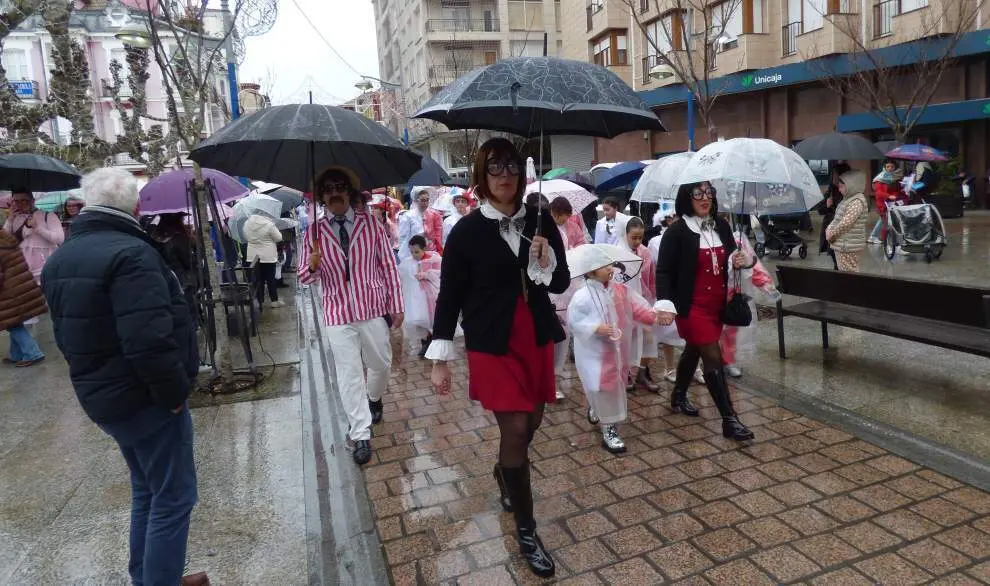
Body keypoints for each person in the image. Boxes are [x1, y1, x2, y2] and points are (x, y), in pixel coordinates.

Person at [40, 168, 206, 586]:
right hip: (145, 400)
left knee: (148, 489)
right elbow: (148, 340)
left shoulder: (62, 258)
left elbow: (63, 335)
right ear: (135, 207)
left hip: (106, 396)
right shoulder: (132, 255)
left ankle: (149, 577)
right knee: (173, 496)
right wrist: (173, 394)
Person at [427, 137, 568, 578]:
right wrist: (440, 356)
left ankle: (505, 472)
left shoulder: (541, 221)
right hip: (492, 342)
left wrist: (546, 260)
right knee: (517, 427)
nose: (504, 174)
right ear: (481, 176)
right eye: (494, 167)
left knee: (533, 422)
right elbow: (450, 294)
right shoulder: (466, 232)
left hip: (536, 337)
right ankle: (527, 531)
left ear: (521, 173)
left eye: (511, 166)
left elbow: (561, 282)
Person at [298, 166, 404, 465]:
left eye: (340, 187)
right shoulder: (313, 232)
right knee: (349, 374)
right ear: (322, 196)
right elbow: (304, 277)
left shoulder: (371, 225)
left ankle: (374, 398)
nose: (335, 193)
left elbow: (388, 265)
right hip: (338, 311)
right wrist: (313, 265)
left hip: (372, 306)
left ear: (349, 192)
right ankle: (360, 433)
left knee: (381, 365)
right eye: (328, 189)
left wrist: (396, 304)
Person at [655, 181, 755, 442]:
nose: (704, 198)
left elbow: (732, 256)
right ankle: (729, 419)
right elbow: (663, 271)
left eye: (708, 193)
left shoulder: (721, 225)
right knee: (712, 353)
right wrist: (664, 303)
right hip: (691, 307)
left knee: (694, 349)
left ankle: (678, 396)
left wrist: (738, 260)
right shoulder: (677, 231)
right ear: (686, 198)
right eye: (697, 194)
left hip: (716, 306)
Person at [568, 244, 658, 454]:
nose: (610, 268)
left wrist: (656, 316)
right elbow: (574, 322)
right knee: (601, 386)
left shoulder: (619, 290)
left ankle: (601, 413)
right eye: (603, 265)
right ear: (591, 271)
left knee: (614, 386)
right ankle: (609, 428)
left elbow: (638, 307)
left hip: (618, 350)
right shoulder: (582, 296)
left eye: (610, 264)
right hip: (595, 353)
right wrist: (595, 328)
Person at [720, 233, 778, 378]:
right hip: (709, 293)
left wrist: (766, 285)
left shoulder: (737, 240)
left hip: (732, 295)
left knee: (731, 329)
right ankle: (709, 360)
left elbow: (753, 266)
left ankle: (728, 360)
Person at [617, 216, 660, 392]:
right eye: (633, 237)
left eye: (640, 238)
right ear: (625, 234)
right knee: (626, 339)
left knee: (648, 339)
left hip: (643, 300)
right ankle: (626, 372)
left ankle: (643, 372)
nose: (637, 241)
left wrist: (653, 298)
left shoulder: (645, 252)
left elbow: (651, 277)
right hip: (623, 302)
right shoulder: (618, 252)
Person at [548, 197, 583, 399]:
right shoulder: (545, 229)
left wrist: (574, 252)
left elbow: (582, 244)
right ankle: (549, 379)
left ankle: (556, 376)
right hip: (551, 287)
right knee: (555, 333)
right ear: (555, 213)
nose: (565, 221)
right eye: (563, 217)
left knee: (566, 331)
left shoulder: (572, 227)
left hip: (571, 282)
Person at [1, 227, 47, 367]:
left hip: (9, 293)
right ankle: (15, 354)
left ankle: (33, 353)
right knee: (13, 322)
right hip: (18, 289)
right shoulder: (6, 241)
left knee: (12, 324)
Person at [3, 189, 65, 283]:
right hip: (22, 266)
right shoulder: (15, 217)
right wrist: (10, 219)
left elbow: (60, 239)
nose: (20, 204)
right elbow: (4, 239)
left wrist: (37, 228)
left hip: (46, 265)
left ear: (33, 200)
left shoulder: (48, 215)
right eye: (16, 201)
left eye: (24, 200)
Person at [399, 235, 443, 357]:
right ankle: (425, 342)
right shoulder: (408, 262)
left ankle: (430, 343)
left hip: (431, 297)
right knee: (418, 319)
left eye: (417, 252)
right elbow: (400, 274)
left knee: (431, 320)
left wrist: (427, 275)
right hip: (417, 298)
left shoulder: (434, 259)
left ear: (424, 248)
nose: (414, 255)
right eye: (411, 252)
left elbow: (441, 274)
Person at [825, 170, 869, 272]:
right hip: (843, 243)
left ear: (851, 186)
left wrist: (831, 233)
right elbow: (837, 219)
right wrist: (829, 229)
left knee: (849, 273)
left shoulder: (856, 202)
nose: (839, 190)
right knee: (845, 272)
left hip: (848, 245)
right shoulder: (847, 199)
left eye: (841, 187)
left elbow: (845, 223)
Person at [243, 212, 284, 308]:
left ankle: (260, 301)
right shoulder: (269, 224)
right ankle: (274, 301)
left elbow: (246, 237)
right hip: (268, 256)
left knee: (258, 279)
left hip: (253, 257)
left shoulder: (247, 223)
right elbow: (279, 238)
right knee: (270, 279)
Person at [397, 186, 444, 261]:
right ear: (416, 200)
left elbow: (437, 235)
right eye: (422, 200)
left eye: (427, 200)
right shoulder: (408, 216)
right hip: (413, 253)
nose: (425, 203)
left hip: (428, 252)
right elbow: (403, 237)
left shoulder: (433, 214)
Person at [818, 163, 850, 270]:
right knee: (834, 258)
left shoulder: (849, 193)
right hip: (830, 230)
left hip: (841, 232)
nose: (834, 177)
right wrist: (826, 205)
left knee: (841, 262)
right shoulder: (831, 191)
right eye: (833, 174)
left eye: (836, 174)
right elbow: (820, 210)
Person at [869, 160, 906, 245]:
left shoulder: (895, 177)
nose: (890, 168)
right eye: (888, 167)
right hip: (883, 202)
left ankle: (882, 237)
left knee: (886, 220)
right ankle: (873, 236)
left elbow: (896, 189)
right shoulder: (880, 178)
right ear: (884, 168)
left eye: (892, 167)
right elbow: (878, 192)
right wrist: (889, 196)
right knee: (883, 220)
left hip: (892, 202)